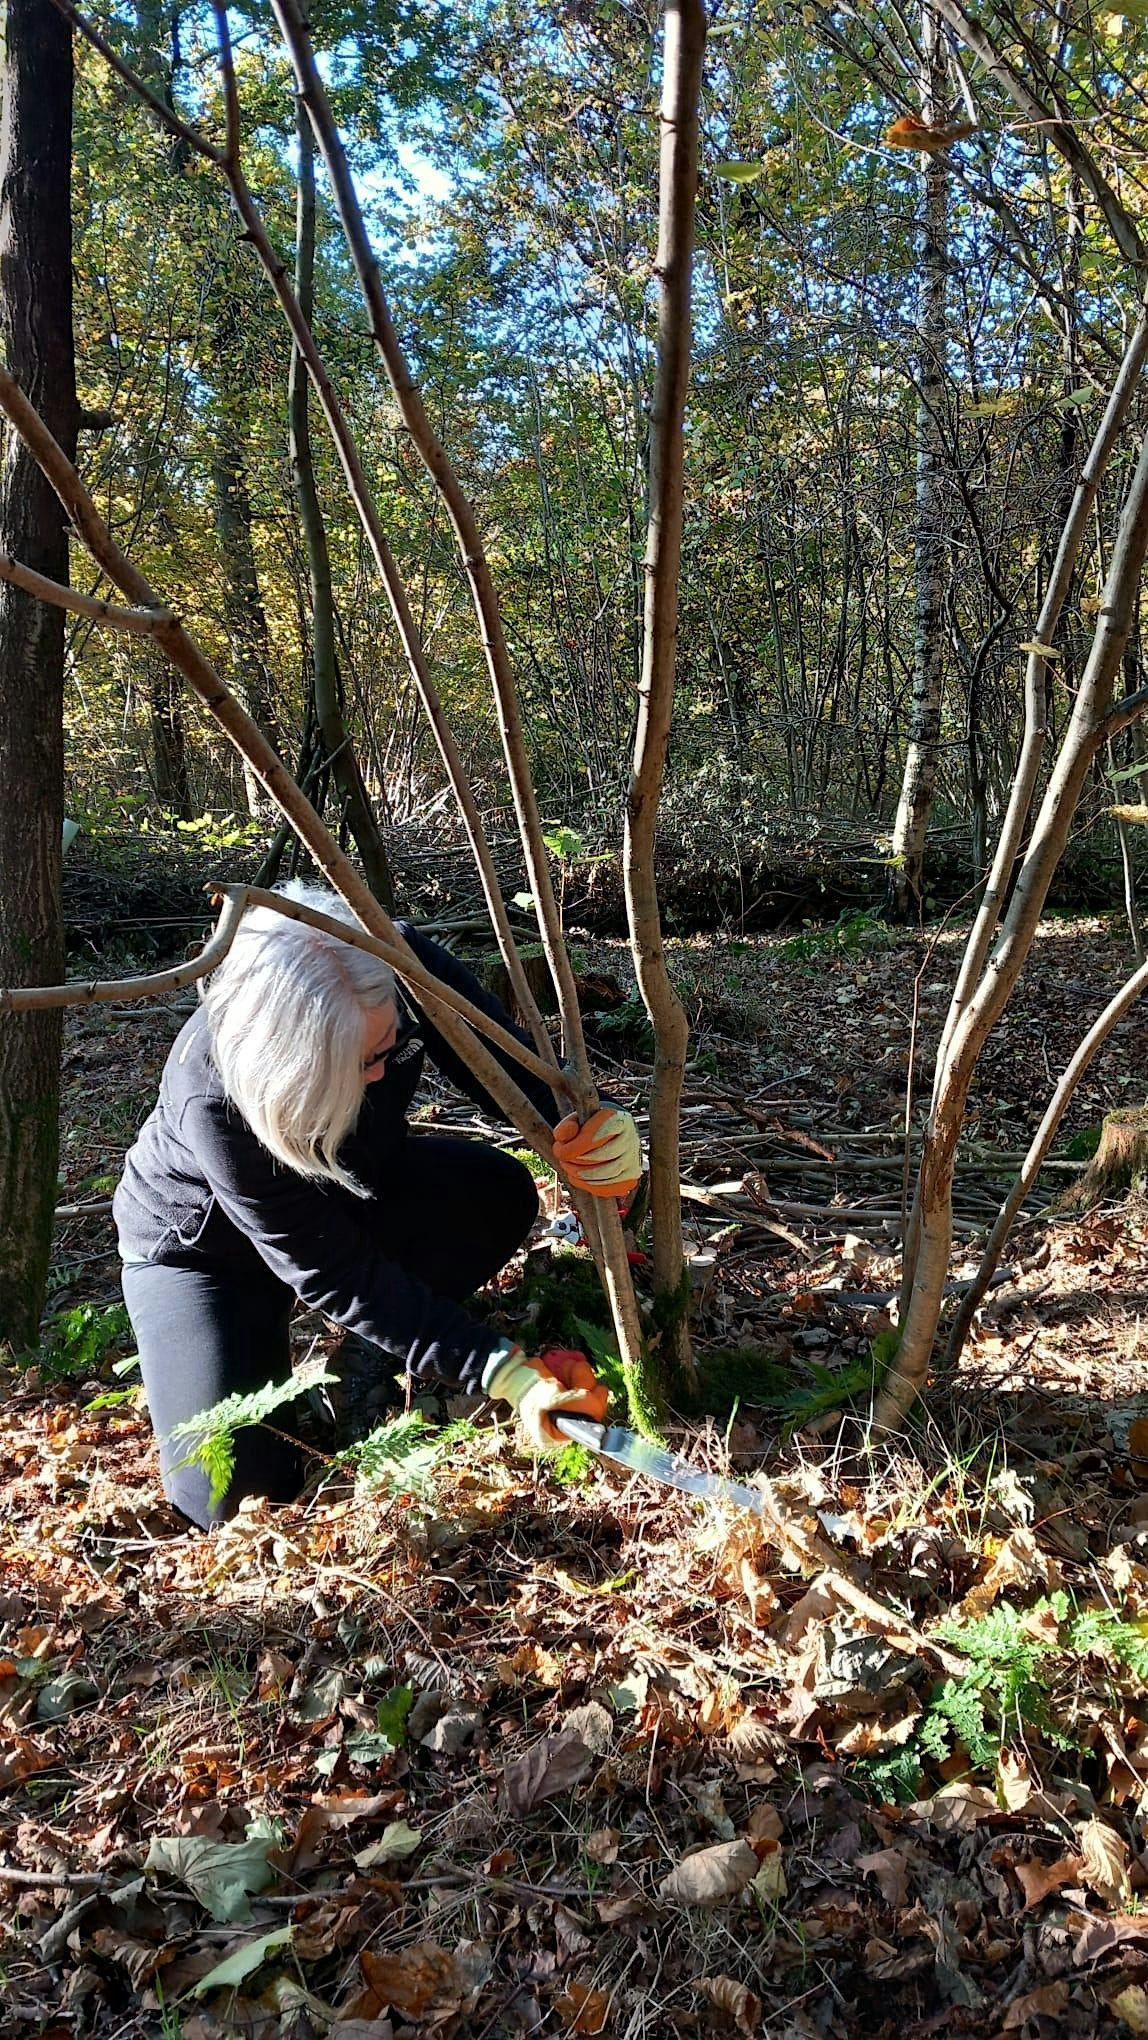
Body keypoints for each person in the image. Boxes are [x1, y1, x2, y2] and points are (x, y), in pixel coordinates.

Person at [113, 880, 641, 1530]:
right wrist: (502, 1371)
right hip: (210, 1255)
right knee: (232, 1497)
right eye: (356, 1065)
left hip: (353, 1189)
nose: (378, 1077)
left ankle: (371, 1356)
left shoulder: (397, 965)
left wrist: (595, 1131)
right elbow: (335, 1273)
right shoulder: (217, 1095)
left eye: (388, 1051)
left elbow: (508, 1068)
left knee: (496, 1192)